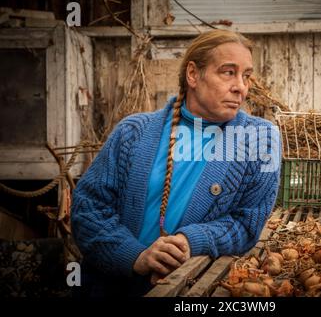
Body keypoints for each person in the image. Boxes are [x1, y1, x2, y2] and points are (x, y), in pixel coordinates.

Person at [71, 29, 281, 297]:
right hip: (106, 289)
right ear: (193, 74)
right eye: (228, 72)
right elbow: (88, 208)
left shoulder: (260, 139)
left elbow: (246, 224)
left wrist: (189, 241)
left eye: (246, 75)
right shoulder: (133, 132)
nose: (241, 86)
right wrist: (135, 256)